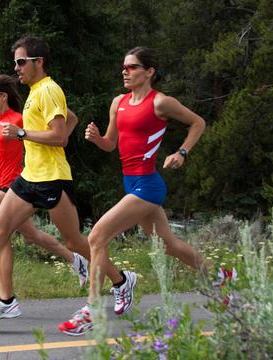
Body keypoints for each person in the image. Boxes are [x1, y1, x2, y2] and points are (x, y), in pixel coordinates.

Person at [58, 46, 228, 336]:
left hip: (148, 185)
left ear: (149, 71)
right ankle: (219, 275)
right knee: (169, 245)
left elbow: (198, 122)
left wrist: (182, 152)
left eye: (132, 67)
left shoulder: (160, 102)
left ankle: (91, 310)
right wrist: (98, 139)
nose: (125, 71)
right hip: (130, 182)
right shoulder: (118, 102)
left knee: (97, 236)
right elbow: (112, 144)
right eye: (124, 67)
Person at [0, 36, 130, 323]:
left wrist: (21, 134)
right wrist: (62, 131)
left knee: (75, 242)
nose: (16, 68)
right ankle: (6, 301)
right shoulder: (36, 91)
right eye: (15, 63)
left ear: (38, 62)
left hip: (52, 179)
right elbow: (70, 118)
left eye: (21, 62)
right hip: (28, 177)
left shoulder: (48, 90)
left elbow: (58, 138)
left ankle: (120, 281)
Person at [0, 74, 89, 300]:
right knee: (33, 235)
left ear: (4, 96)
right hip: (7, 187)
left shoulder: (20, 119)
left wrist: (57, 131)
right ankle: (76, 260)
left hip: (14, 185)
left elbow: (64, 122)